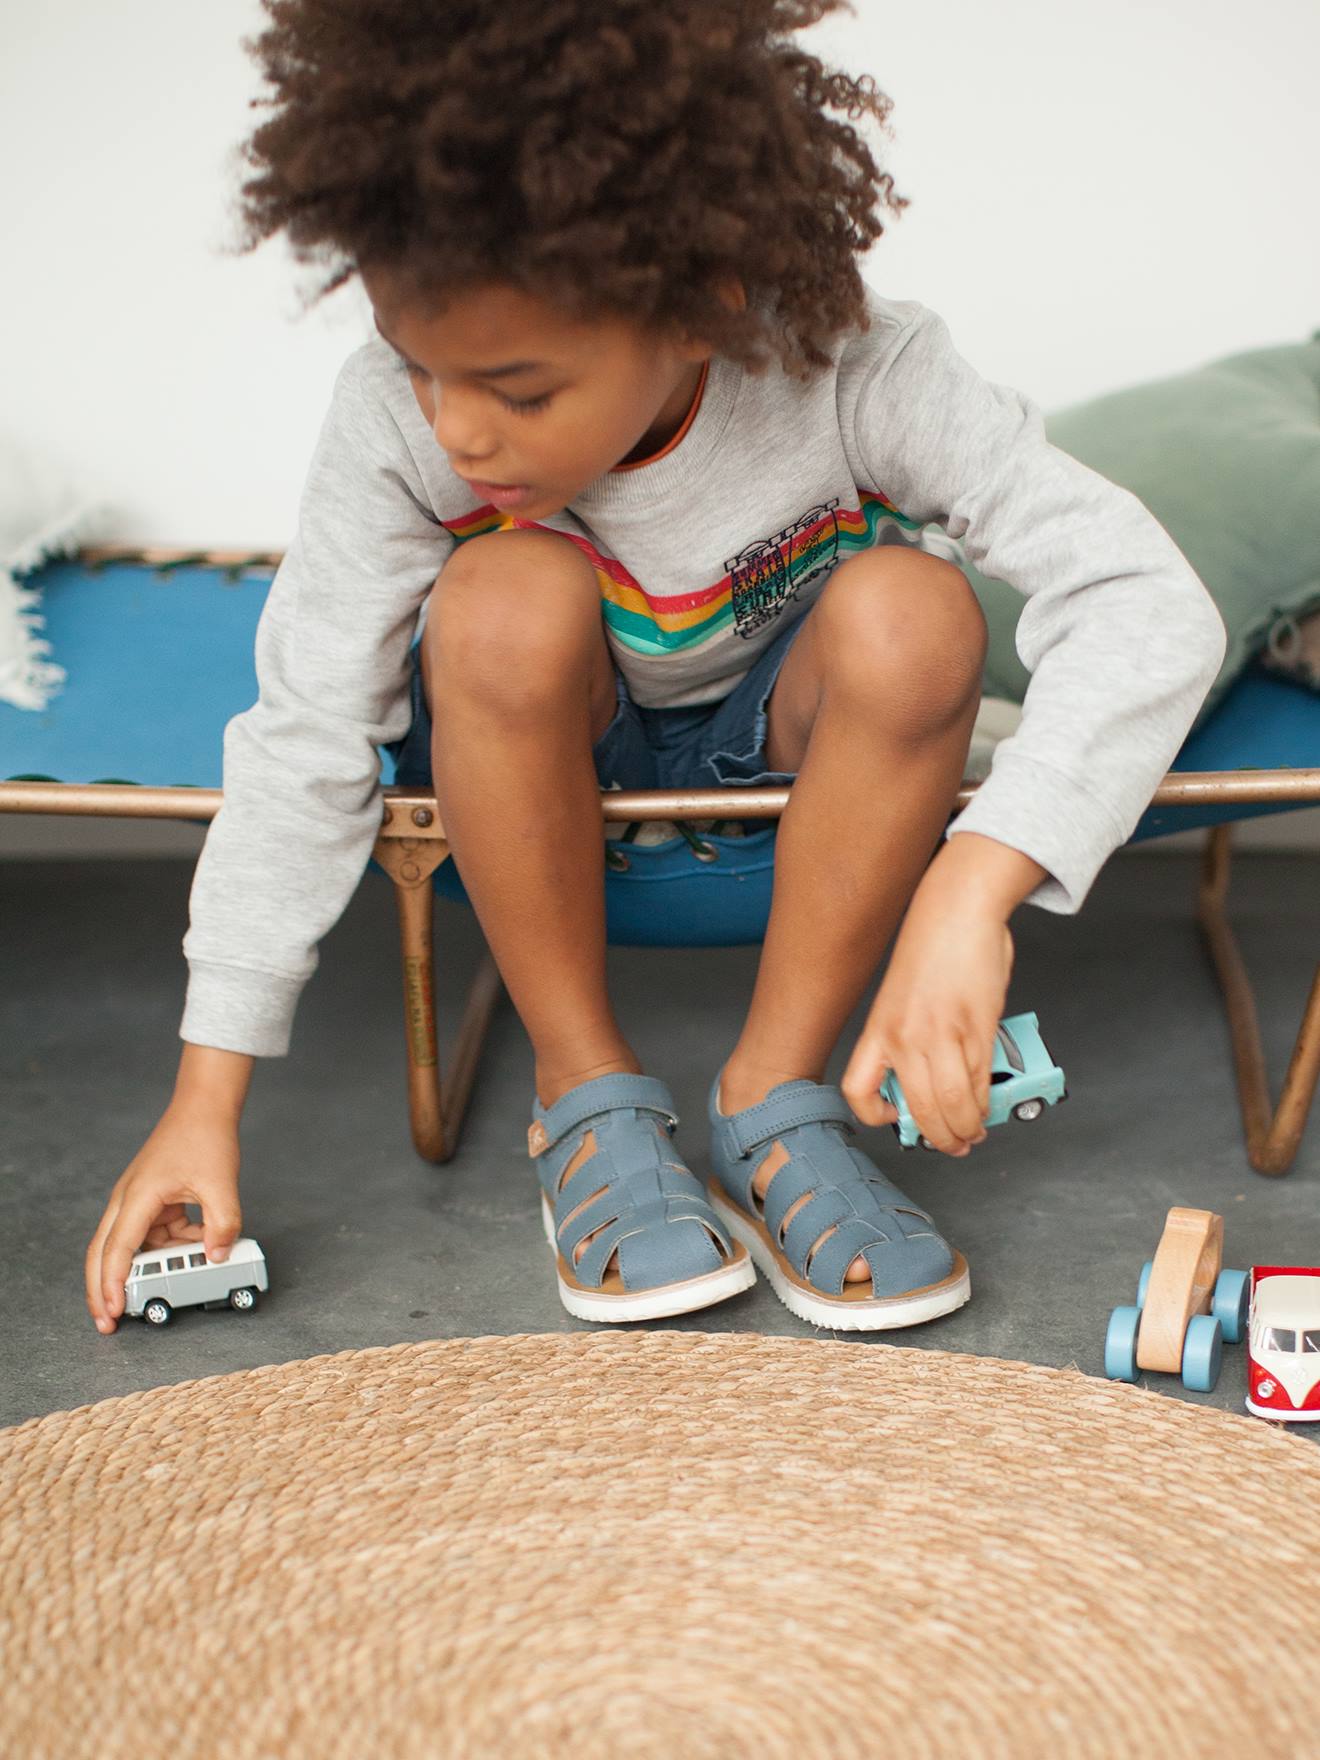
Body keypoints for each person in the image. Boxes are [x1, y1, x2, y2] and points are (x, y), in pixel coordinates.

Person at [85, 0, 1226, 1336]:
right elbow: (304, 737)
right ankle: (583, 1101)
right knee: (504, 586)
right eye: (420, 369)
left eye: (517, 390)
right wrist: (201, 1101)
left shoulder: (856, 366)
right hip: (525, 807)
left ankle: (775, 1102)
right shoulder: (402, 427)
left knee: (918, 614)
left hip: (799, 798)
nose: (456, 433)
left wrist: (974, 895)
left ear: (702, 308)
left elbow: (1151, 601)